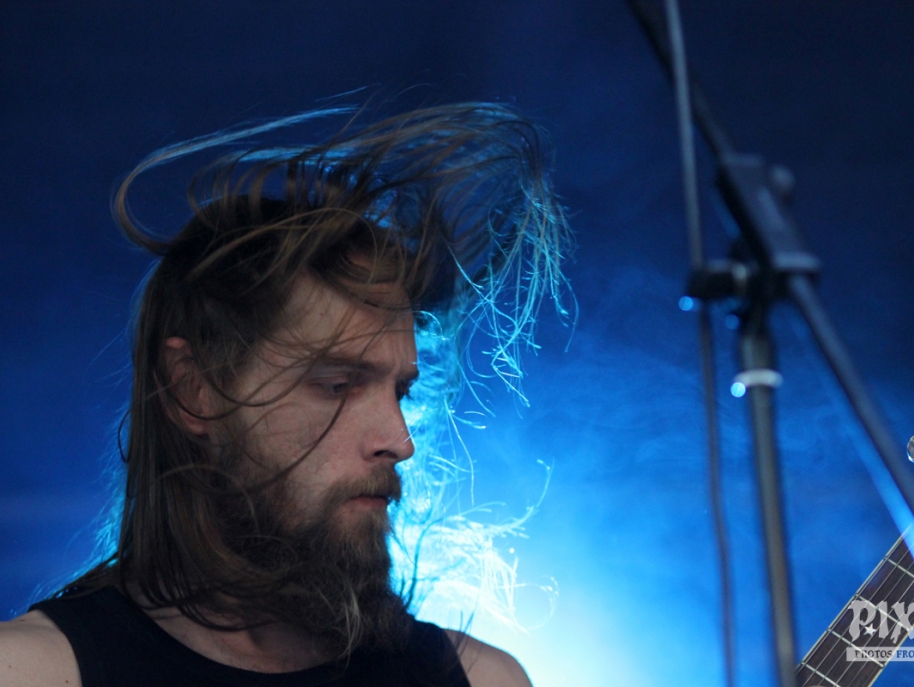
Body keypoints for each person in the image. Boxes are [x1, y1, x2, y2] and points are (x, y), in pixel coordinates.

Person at [0, 103, 572, 687]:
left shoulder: (481, 679)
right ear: (194, 390)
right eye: (337, 385)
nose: (399, 442)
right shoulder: (30, 673)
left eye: (400, 391)